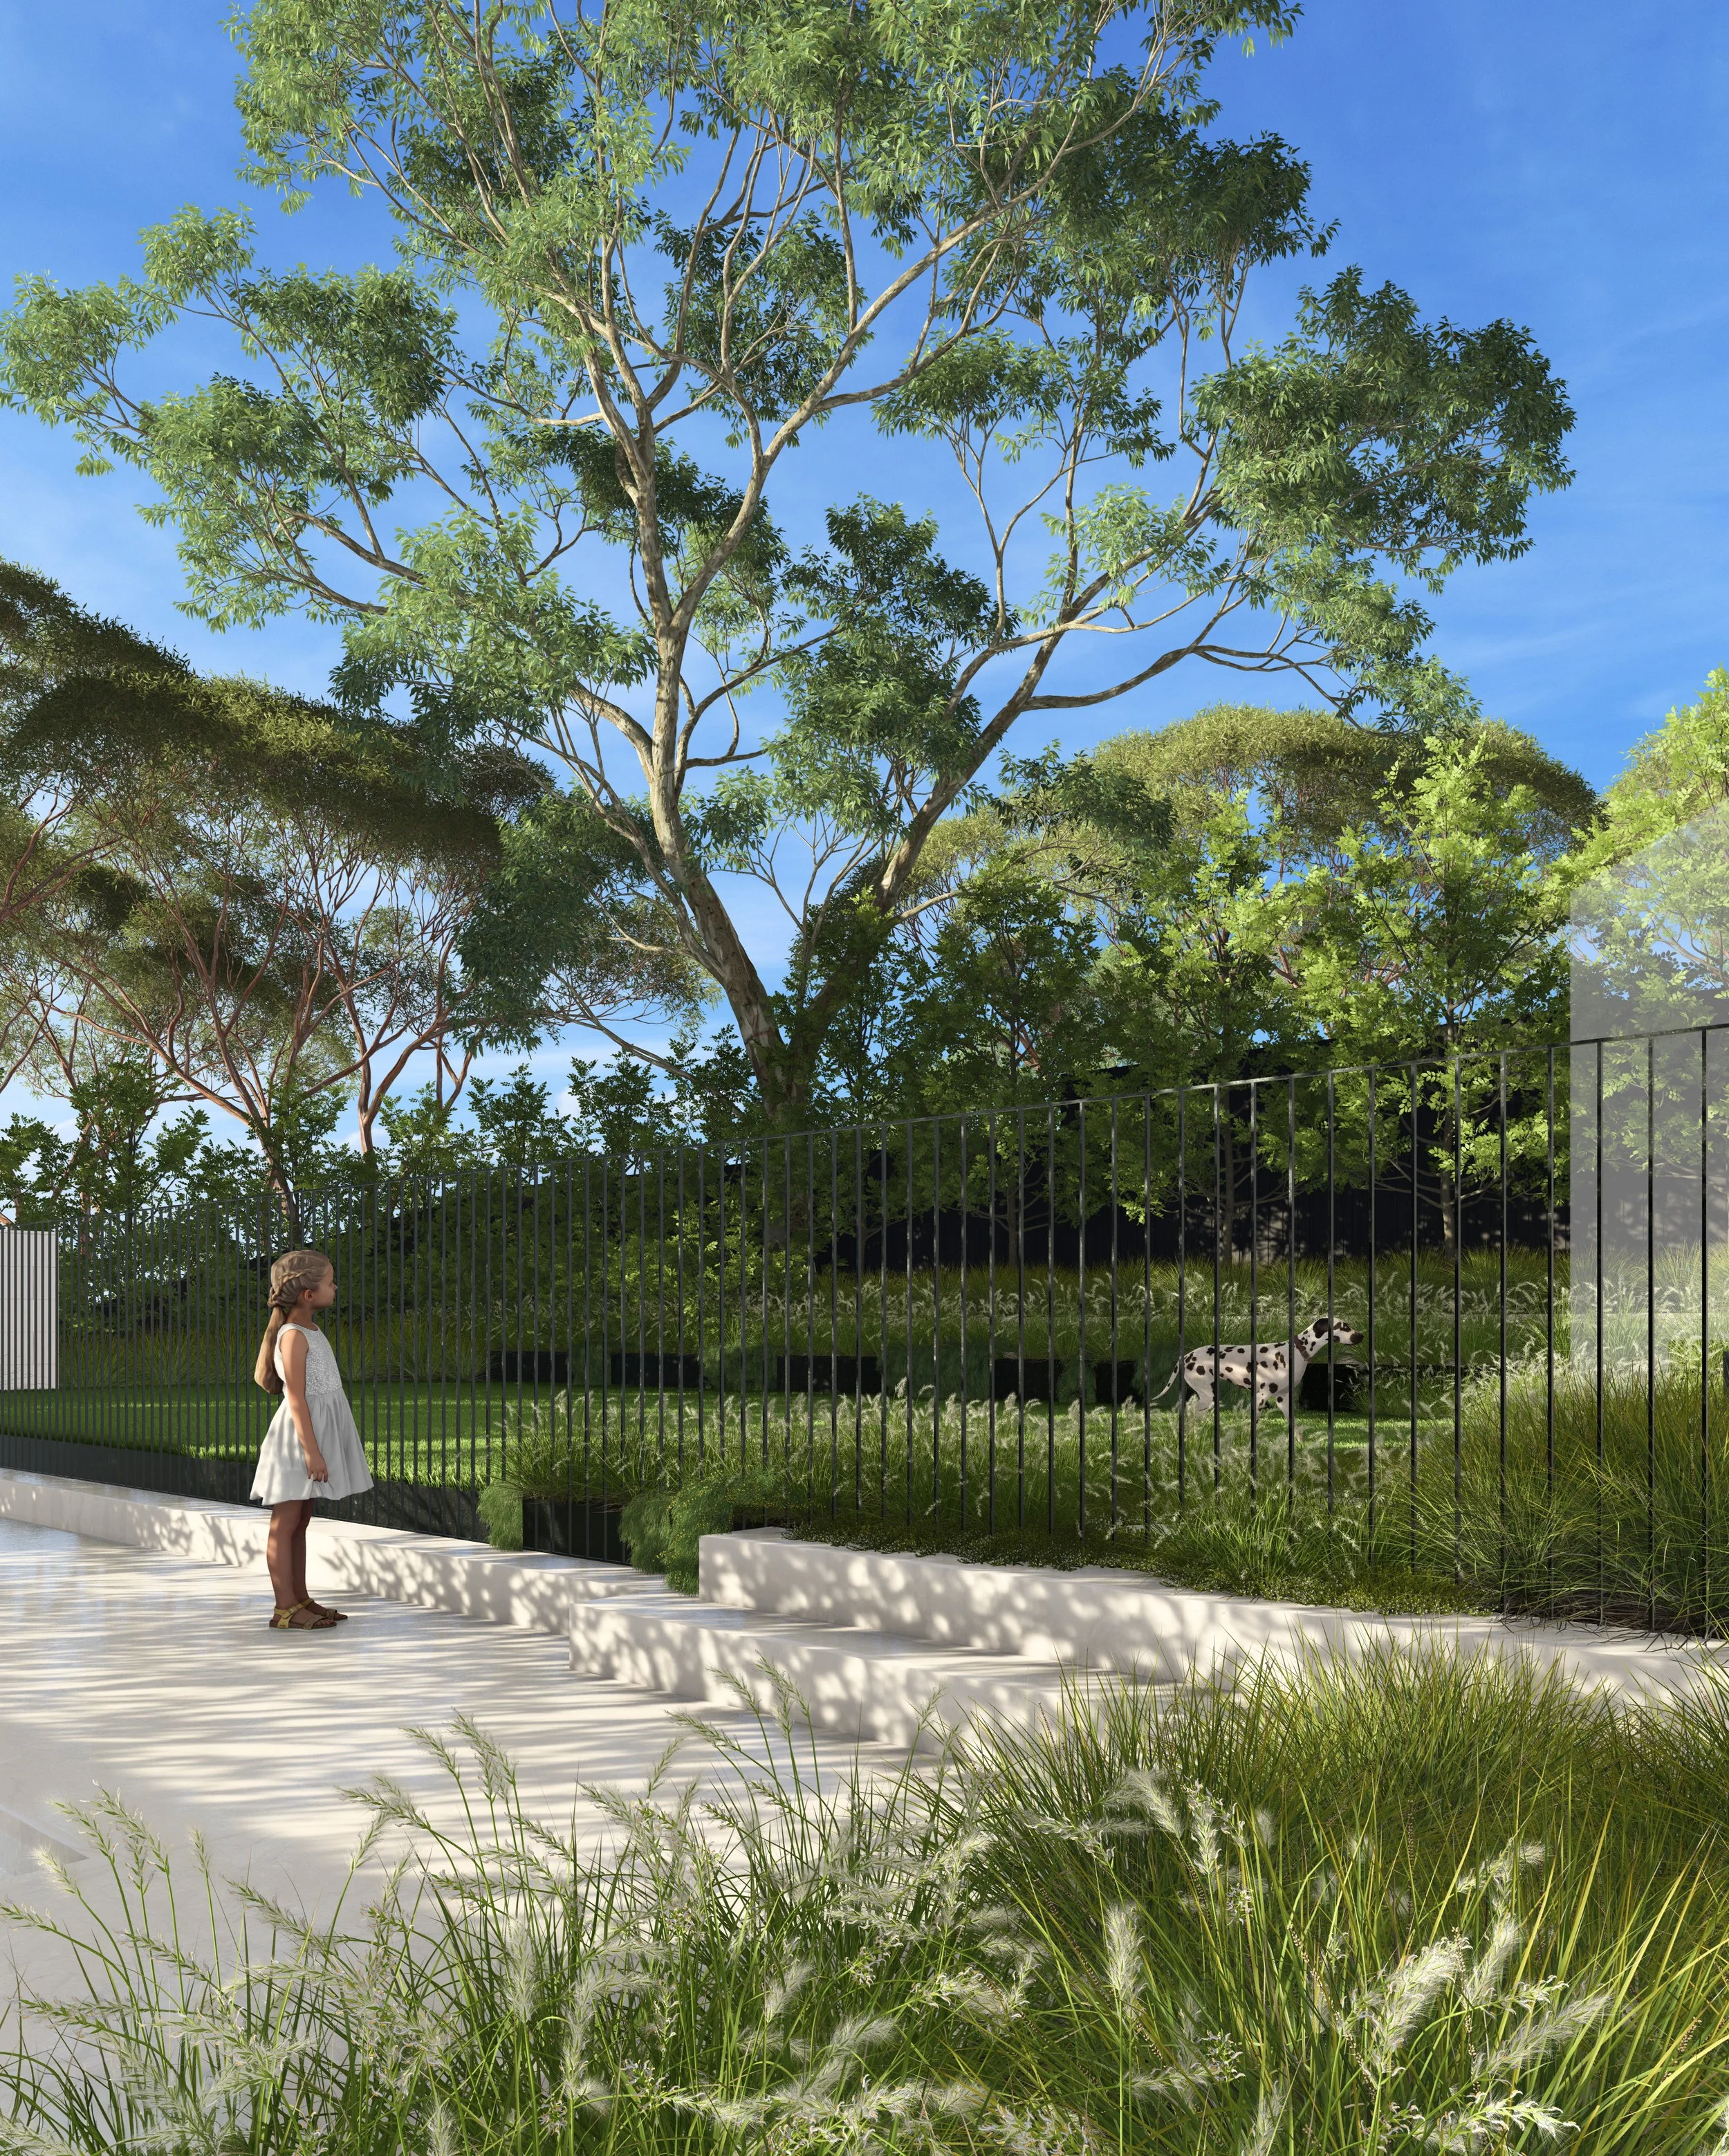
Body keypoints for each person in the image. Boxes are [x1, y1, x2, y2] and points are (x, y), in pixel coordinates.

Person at [250, 1249, 373, 1630]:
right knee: (285, 1521)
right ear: (307, 1294)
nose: (335, 1288)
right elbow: (297, 1399)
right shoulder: (292, 1336)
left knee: (301, 1519)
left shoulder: (312, 1331)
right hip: (298, 1442)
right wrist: (312, 1452)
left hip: (312, 1436)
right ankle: (283, 1608)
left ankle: (300, 1598)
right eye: (330, 1282)